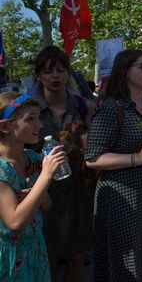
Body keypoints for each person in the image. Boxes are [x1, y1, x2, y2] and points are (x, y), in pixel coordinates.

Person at [83, 49, 142, 281]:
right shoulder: (112, 108)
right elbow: (93, 159)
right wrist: (137, 158)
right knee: (128, 261)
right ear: (125, 72)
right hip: (120, 196)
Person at [31, 45, 94, 282]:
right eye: (48, 71)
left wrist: (76, 150)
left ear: (68, 73)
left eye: (60, 70)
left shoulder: (81, 105)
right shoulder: (31, 108)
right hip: (41, 191)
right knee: (46, 256)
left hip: (77, 190)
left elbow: (92, 149)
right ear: (39, 75)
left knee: (76, 256)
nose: (55, 76)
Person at [0, 93, 67, 281]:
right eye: (30, 119)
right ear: (4, 126)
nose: (40, 125)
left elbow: (46, 205)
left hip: (36, 250)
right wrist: (45, 176)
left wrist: (35, 195)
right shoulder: (1, 169)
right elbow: (15, 223)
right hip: (8, 258)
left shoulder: (32, 159)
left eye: (38, 117)